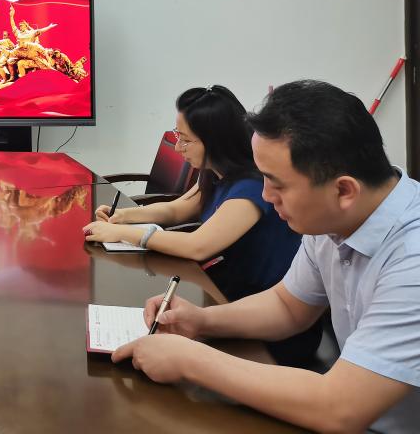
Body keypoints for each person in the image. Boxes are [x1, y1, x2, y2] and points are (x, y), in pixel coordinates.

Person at [113, 80, 420, 434]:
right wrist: (200, 320)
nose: (265, 196)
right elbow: (288, 306)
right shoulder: (330, 220)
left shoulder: (411, 257)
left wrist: (189, 360)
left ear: (344, 190)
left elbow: (341, 408)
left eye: (278, 184)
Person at [83, 86, 306, 304]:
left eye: (186, 140)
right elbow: (177, 209)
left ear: (216, 141)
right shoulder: (214, 172)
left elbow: (196, 246)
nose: (178, 147)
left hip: (253, 302)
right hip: (220, 285)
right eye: (177, 135)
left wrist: (121, 233)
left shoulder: (251, 188)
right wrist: (123, 215)